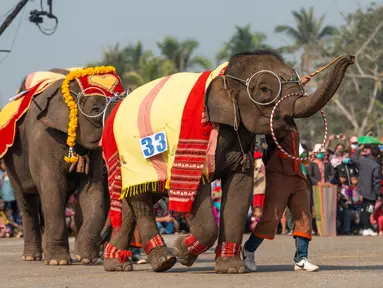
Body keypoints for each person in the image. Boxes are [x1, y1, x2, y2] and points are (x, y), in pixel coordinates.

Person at [242, 131, 319, 273]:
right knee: (271, 218)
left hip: (297, 176)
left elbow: (299, 154)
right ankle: (248, 249)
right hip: (278, 175)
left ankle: (301, 258)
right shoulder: (274, 123)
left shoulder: (294, 128)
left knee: (304, 216)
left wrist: (306, 158)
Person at [352, 145, 382, 236]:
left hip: (360, 190)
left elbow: (354, 158)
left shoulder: (362, 160)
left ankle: (362, 228)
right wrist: (379, 193)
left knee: (362, 210)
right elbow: (376, 182)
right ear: (378, 154)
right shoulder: (376, 166)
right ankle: (366, 228)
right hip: (371, 192)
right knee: (368, 211)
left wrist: (358, 149)